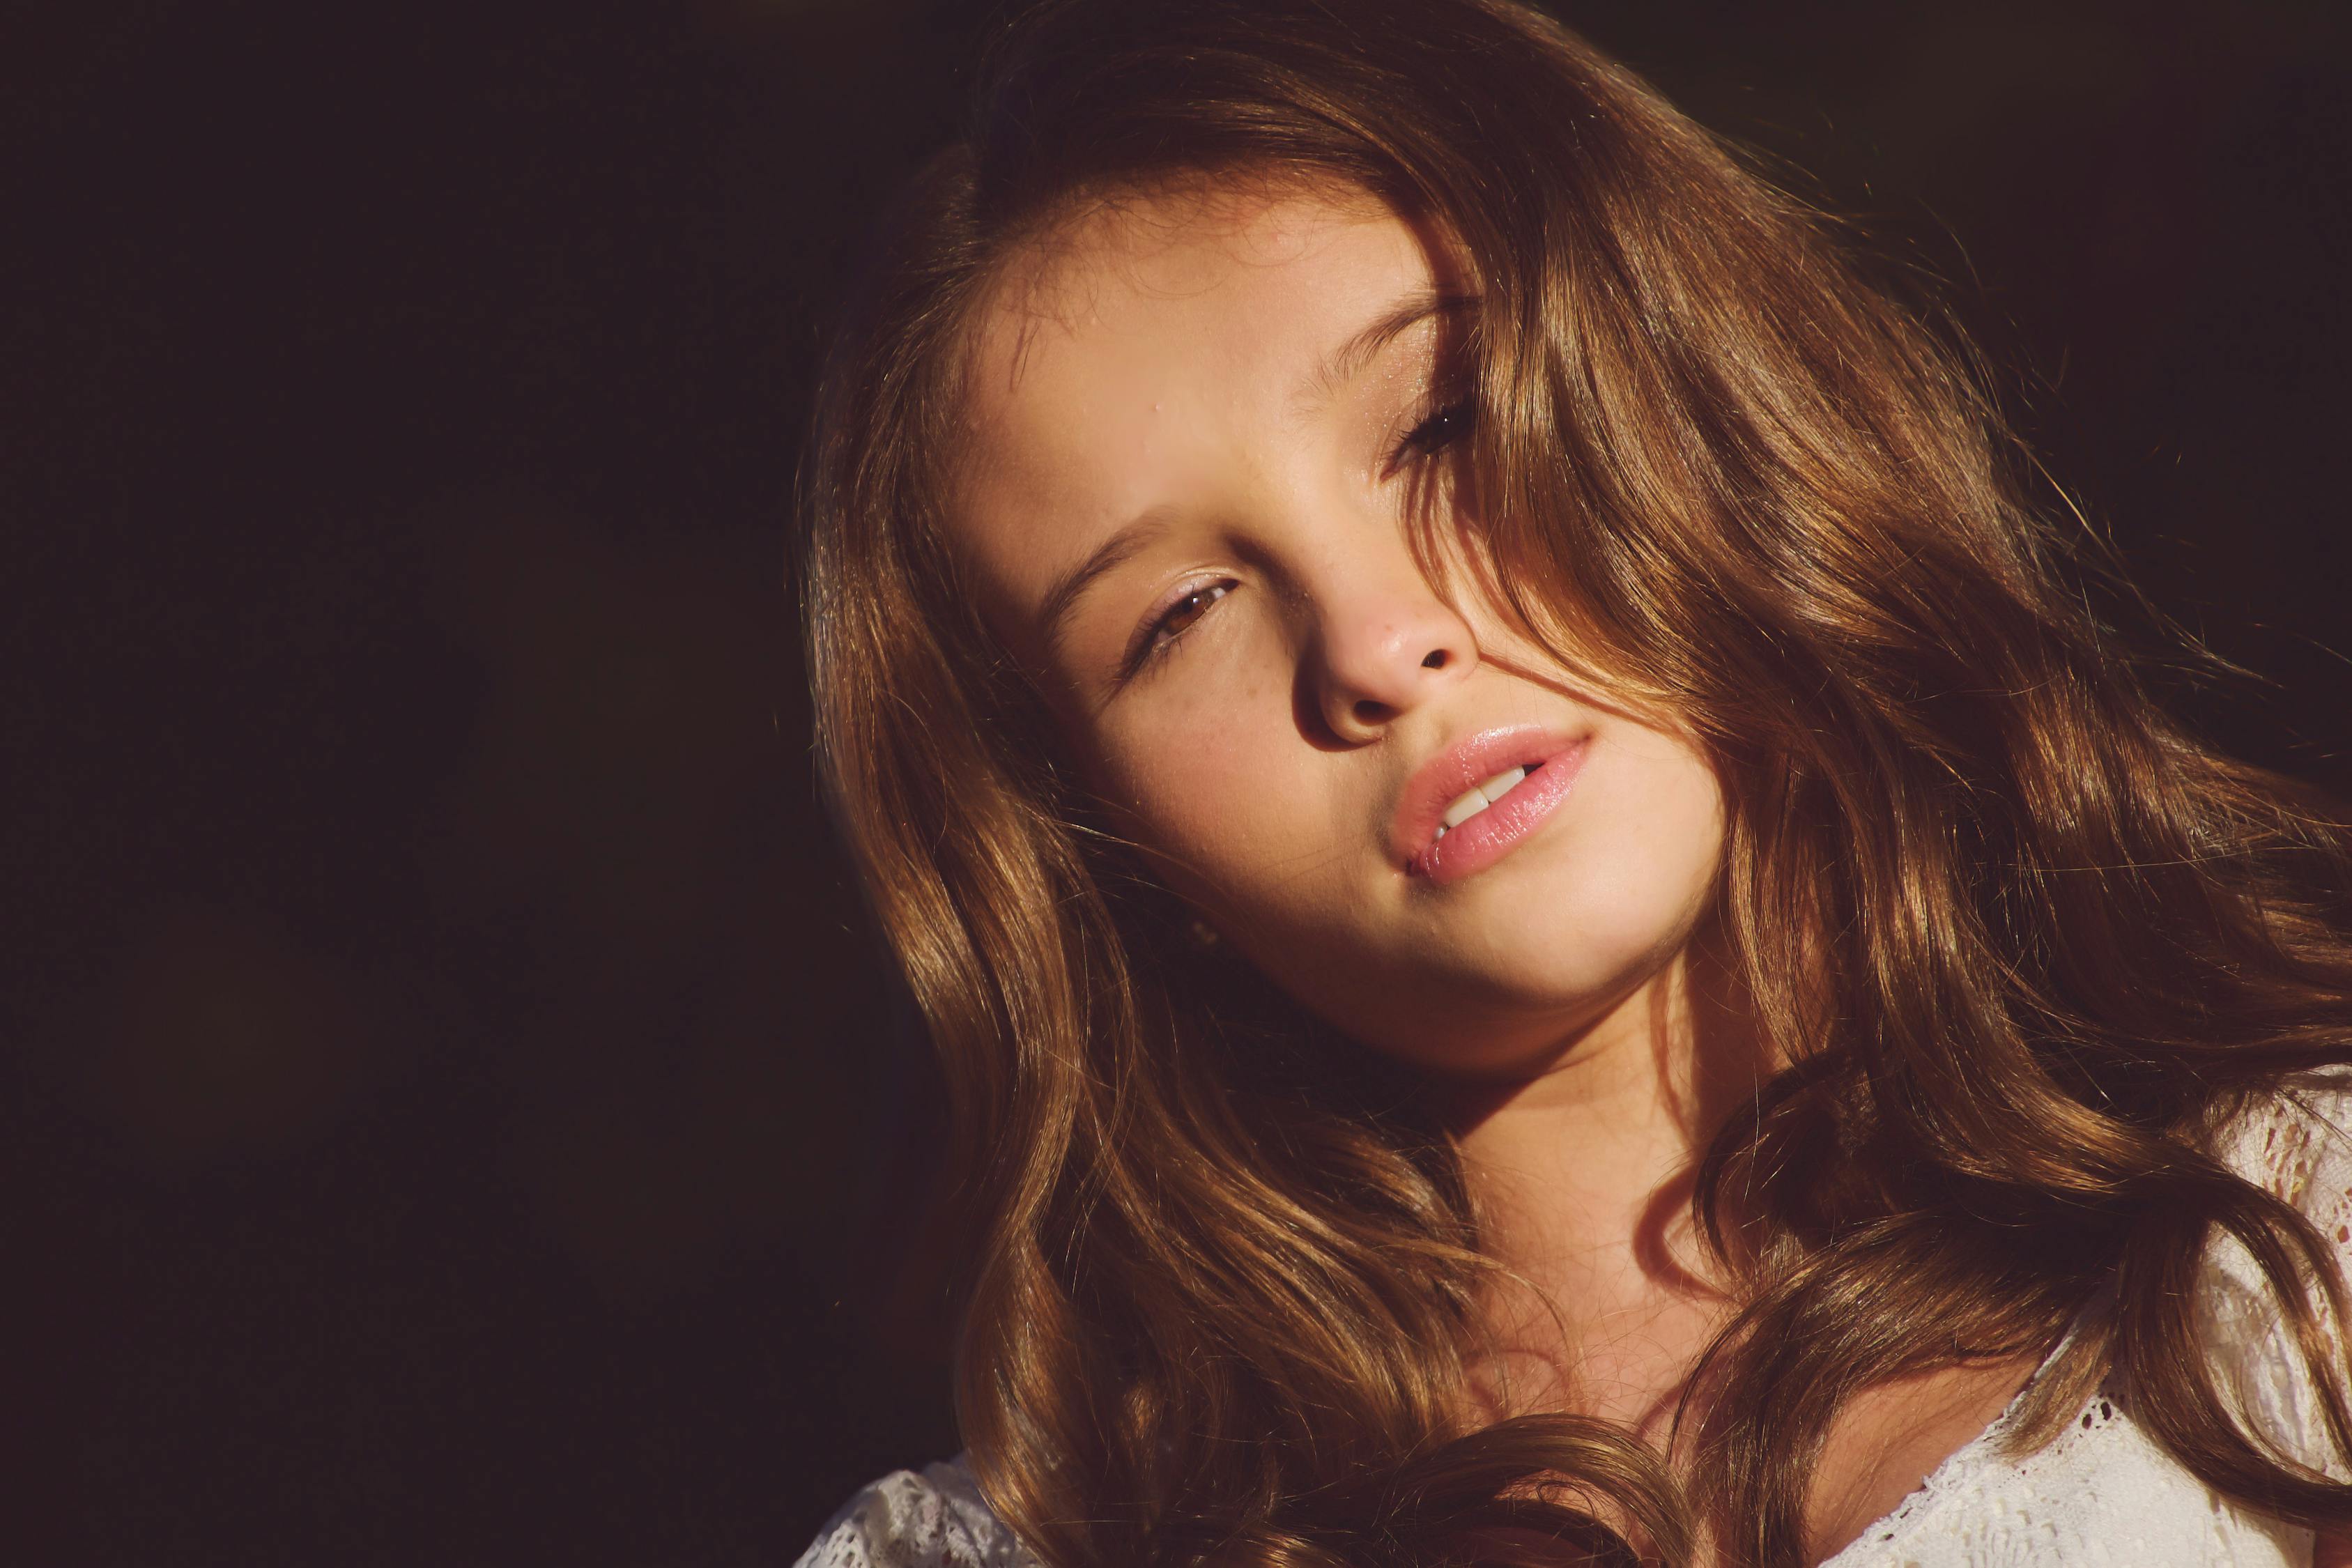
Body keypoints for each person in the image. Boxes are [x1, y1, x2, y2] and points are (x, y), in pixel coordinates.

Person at [791, 0, 2352, 1562]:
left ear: (1698, 387)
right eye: (1181, 614)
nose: (1377, 643)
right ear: (1093, 836)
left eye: (1441, 425)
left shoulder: (2303, 1238)